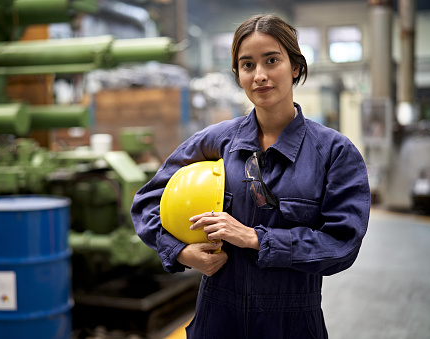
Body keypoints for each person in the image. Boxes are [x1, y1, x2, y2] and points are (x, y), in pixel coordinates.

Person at [131, 14, 370, 338]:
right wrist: (181, 252)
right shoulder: (215, 141)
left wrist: (256, 238)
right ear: (238, 74)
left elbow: (342, 245)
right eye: (247, 65)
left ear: (295, 67)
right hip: (216, 320)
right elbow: (146, 201)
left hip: (291, 323)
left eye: (271, 60)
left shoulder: (333, 153)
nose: (260, 75)